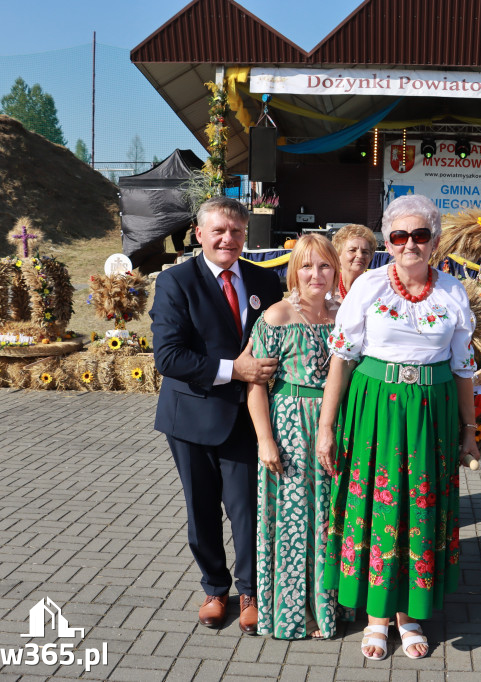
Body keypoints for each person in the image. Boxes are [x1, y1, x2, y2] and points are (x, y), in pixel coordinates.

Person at [315, 194, 480, 661]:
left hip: (432, 412)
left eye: (421, 236)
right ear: (388, 240)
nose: (410, 245)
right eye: (400, 236)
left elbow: (464, 366)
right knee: (377, 507)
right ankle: (377, 617)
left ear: (436, 242)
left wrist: (469, 429)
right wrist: (327, 427)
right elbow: (342, 362)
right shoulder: (368, 286)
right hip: (375, 412)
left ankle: (410, 614)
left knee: (420, 510)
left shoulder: (453, 291)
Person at [151, 196, 283, 633]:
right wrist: (234, 370)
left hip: (248, 419)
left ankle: (250, 591)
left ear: (247, 235)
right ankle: (214, 587)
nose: (229, 239)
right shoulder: (176, 282)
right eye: (220, 231)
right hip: (191, 417)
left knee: (247, 509)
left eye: (237, 231)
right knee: (201, 509)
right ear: (200, 234)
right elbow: (169, 357)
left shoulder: (268, 280)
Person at [246, 234, 341, 640]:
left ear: (335, 269)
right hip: (290, 425)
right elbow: (255, 385)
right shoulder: (276, 316)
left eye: (323, 265)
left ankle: (330, 607)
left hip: (336, 426)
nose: (315, 274)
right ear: (293, 271)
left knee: (330, 518)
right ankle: (292, 613)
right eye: (306, 266)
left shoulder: (344, 315)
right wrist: (265, 440)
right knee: (293, 519)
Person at [331, 223, 376, 300]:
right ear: (337, 254)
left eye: (365, 252)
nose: (360, 255)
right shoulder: (327, 287)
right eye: (352, 250)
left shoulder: (375, 290)